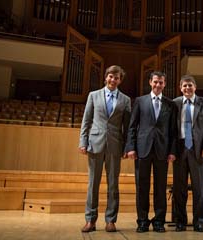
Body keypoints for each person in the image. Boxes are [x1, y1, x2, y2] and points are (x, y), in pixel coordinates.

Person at [79, 65, 131, 233]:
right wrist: (83, 141)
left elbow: (127, 126)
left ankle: (110, 220)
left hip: (115, 146)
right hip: (95, 143)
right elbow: (86, 121)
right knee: (93, 184)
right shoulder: (93, 96)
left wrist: (127, 147)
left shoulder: (125, 100)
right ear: (105, 77)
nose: (112, 80)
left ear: (120, 80)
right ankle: (90, 220)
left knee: (113, 185)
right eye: (110, 76)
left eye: (116, 78)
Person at [125, 71, 177, 233]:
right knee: (142, 187)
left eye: (161, 82)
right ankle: (142, 220)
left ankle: (159, 221)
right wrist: (130, 147)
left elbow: (173, 131)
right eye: (155, 82)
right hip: (142, 150)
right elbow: (132, 126)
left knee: (160, 187)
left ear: (165, 84)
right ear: (150, 82)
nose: (158, 85)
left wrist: (172, 151)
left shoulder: (171, 104)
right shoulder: (140, 101)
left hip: (162, 151)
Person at [172, 75, 203, 232]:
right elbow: (171, 129)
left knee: (199, 189)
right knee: (179, 189)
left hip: (198, 150)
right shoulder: (175, 103)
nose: (187, 88)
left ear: (195, 87)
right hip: (180, 149)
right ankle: (180, 222)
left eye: (190, 85)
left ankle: (199, 221)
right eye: (184, 86)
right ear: (180, 88)